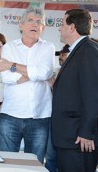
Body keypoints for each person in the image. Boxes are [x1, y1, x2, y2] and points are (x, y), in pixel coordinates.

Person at [0, 6, 55, 163]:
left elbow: (44, 73)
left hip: (40, 116)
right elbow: (7, 78)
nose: (34, 24)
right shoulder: (9, 47)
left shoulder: (48, 47)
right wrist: (35, 74)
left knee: (34, 164)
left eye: (38, 22)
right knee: (6, 162)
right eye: (30, 21)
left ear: (43, 27)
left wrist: (12, 65)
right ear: (21, 25)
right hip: (10, 115)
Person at [52, 9, 98, 172]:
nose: (59, 28)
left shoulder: (89, 51)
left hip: (79, 139)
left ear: (72, 27)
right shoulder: (79, 51)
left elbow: (93, 96)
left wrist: (87, 132)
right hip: (69, 137)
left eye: (62, 24)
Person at [45, 44, 70, 172]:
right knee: (50, 158)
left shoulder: (77, 71)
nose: (60, 56)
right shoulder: (53, 71)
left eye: (64, 54)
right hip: (53, 120)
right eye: (60, 54)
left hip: (70, 123)